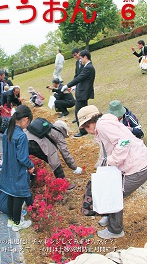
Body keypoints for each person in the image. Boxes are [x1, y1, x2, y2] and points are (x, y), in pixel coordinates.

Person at [77, 105, 147, 239]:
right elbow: (105, 150)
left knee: (114, 194)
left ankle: (115, 230)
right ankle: (109, 216)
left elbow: (123, 142)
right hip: (136, 162)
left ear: (90, 122)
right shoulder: (104, 125)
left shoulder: (103, 126)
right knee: (110, 188)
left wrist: (112, 160)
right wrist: (101, 166)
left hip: (138, 166)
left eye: (86, 127)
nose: (87, 131)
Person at [0, 105, 34, 232]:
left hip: (8, 169)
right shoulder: (21, 136)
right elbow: (23, 158)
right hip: (18, 171)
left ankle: (11, 220)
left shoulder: (8, 131)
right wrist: (31, 166)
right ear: (25, 119)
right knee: (18, 197)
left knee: (10, 195)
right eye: (28, 122)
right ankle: (17, 223)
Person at [61, 50, 95, 137]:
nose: (80, 60)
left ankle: (83, 131)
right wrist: (73, 87)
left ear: (85, 57)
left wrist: (67, 85)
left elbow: (79, 78)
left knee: (78, 113)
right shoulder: (88, 67)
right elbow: (81, 78)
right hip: (82, 92)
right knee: (84, 112)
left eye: (81, 58)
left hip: (83, 93)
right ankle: (87, 127)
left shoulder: (88, 67)